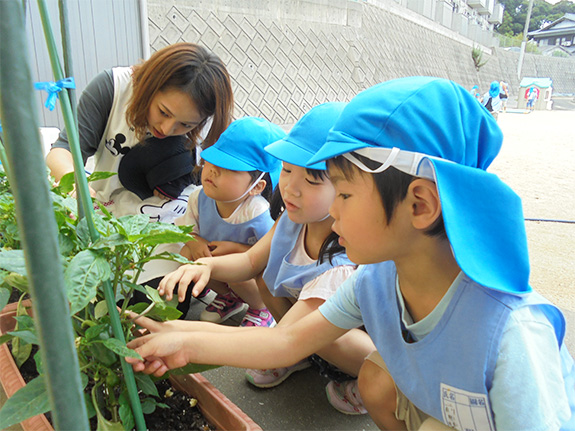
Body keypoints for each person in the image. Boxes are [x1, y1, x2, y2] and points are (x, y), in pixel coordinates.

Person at [125, 77, 575, 430]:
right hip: (443, 409)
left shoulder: (512, 336)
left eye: (342, 194)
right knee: (378, 381)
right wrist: (181, 338)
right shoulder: (376, 281)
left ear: (420, 204)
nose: (332, 213)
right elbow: (284, 342)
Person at [149, 102, 375, 414]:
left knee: (323, 342)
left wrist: (185, 341)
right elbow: (251, 261)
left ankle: (366, 380)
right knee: (266, 275)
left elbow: (284, 340)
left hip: (344, 345)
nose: (291, 188)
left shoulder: (342, 262)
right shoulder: (294, 219)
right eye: (289, 170)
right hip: (299, 327)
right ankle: (305, 356)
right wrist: (206, 265)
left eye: (311, 180)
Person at [46, 42, 234, 222]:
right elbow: (62, 152)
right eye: (163, 112)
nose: (167, 129)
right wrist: (76, 185)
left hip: (174, 227)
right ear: (150, 86)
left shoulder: (211, 121)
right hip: (108, 219)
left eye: (186, 125)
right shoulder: (113, 88)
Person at [136, 116, 285, 323]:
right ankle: (228, 297)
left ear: (257, 187)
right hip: (216, 263)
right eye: (212, 160)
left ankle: (261, 309)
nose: (213, 170)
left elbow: (272, 258)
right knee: (187, 253)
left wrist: (237, 251)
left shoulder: (258, 213)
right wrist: (195, 242)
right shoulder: (199, 197)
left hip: (250, 277)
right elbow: (184, 230)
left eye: (230, 167)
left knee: (234, 270)